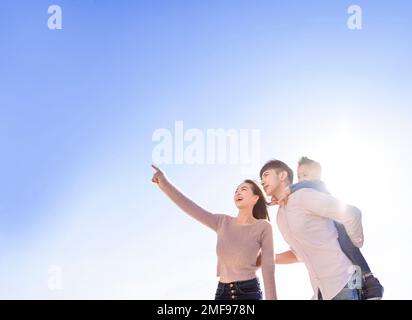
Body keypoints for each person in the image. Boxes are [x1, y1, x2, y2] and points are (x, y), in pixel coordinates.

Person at [151, 164, 277, 300]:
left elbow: (268, 268)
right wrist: (164, 183)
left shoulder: (263, 227)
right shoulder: (222, 222)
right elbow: (190, 207)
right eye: (236, 190)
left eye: (244, 189)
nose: (238, 192)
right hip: (222, 293)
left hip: (249, 292)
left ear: (255, 198)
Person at [275, 156, 384, 300]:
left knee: (350, 249)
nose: (301, 179)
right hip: (326, 287)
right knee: (350, 257)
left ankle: (370, 281)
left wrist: (290, 188)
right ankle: (367, 282)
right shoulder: (299, 198)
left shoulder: (316, 186)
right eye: (299, 176)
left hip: (339, 231)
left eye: (305, 175)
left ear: (316, 176)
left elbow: (352, 213)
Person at [260, 159, 363, 300]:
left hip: (344, 283)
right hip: (320, 292)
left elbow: (351, 214)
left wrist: (353, 245)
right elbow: (299, 254)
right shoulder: (280, 217)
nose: (262, 181)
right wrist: (268, 259)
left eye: (266, 175)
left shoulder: (303, 195)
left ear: (282, 175)